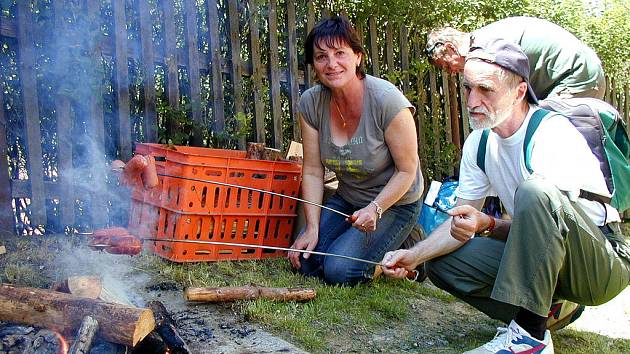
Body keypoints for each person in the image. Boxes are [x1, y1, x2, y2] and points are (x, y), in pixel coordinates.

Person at [382, 38, 629, 353]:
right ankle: (552, 309)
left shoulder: (550, 133)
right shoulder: (479, 143)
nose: (472, 101)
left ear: (519, 91)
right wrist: (415, 255)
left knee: (536, 190)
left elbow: (550, 226)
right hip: (551, 262)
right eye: (468, 88)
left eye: (486, 90)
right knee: (443, 262)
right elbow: (459, 222)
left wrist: (488, 224)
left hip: (600, 264)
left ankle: (530, 338)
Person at [287, 15, 423, 286]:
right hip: (349, 198)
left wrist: (375, 209)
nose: (331, 64)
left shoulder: (388, 101)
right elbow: (313, 171)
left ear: (358, 57)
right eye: (321, 56)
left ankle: (409, 243)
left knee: (339, 271)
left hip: (394, 202)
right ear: (313, 64)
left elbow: (407, 170)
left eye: (340, 53)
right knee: (305, 260)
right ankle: (361, 244)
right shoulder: (311, 103)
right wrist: (312, 227)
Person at [425, 16, 606, 100]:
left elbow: (506, 102)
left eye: (447, 65)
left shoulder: (486, 49)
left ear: (450, 48)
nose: (451, 72)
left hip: (575, 75)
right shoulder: (484, 39)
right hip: (582, 71)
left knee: (547, 131)